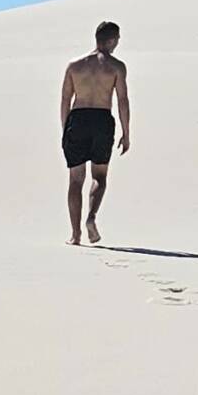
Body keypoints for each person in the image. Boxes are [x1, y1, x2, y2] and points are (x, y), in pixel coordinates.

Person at [59, 22, 131, 245]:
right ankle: (91, 218)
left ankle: (75, 235)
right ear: (110, 40)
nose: (118, 43)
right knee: (99, 176)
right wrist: (126, 132)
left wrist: (66, 129)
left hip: (78, 119)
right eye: (117, 39)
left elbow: (65, 99)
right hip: (101, 119)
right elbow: (122, 100)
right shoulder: (116, 66)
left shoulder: (74, 66)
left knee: (75, 180)